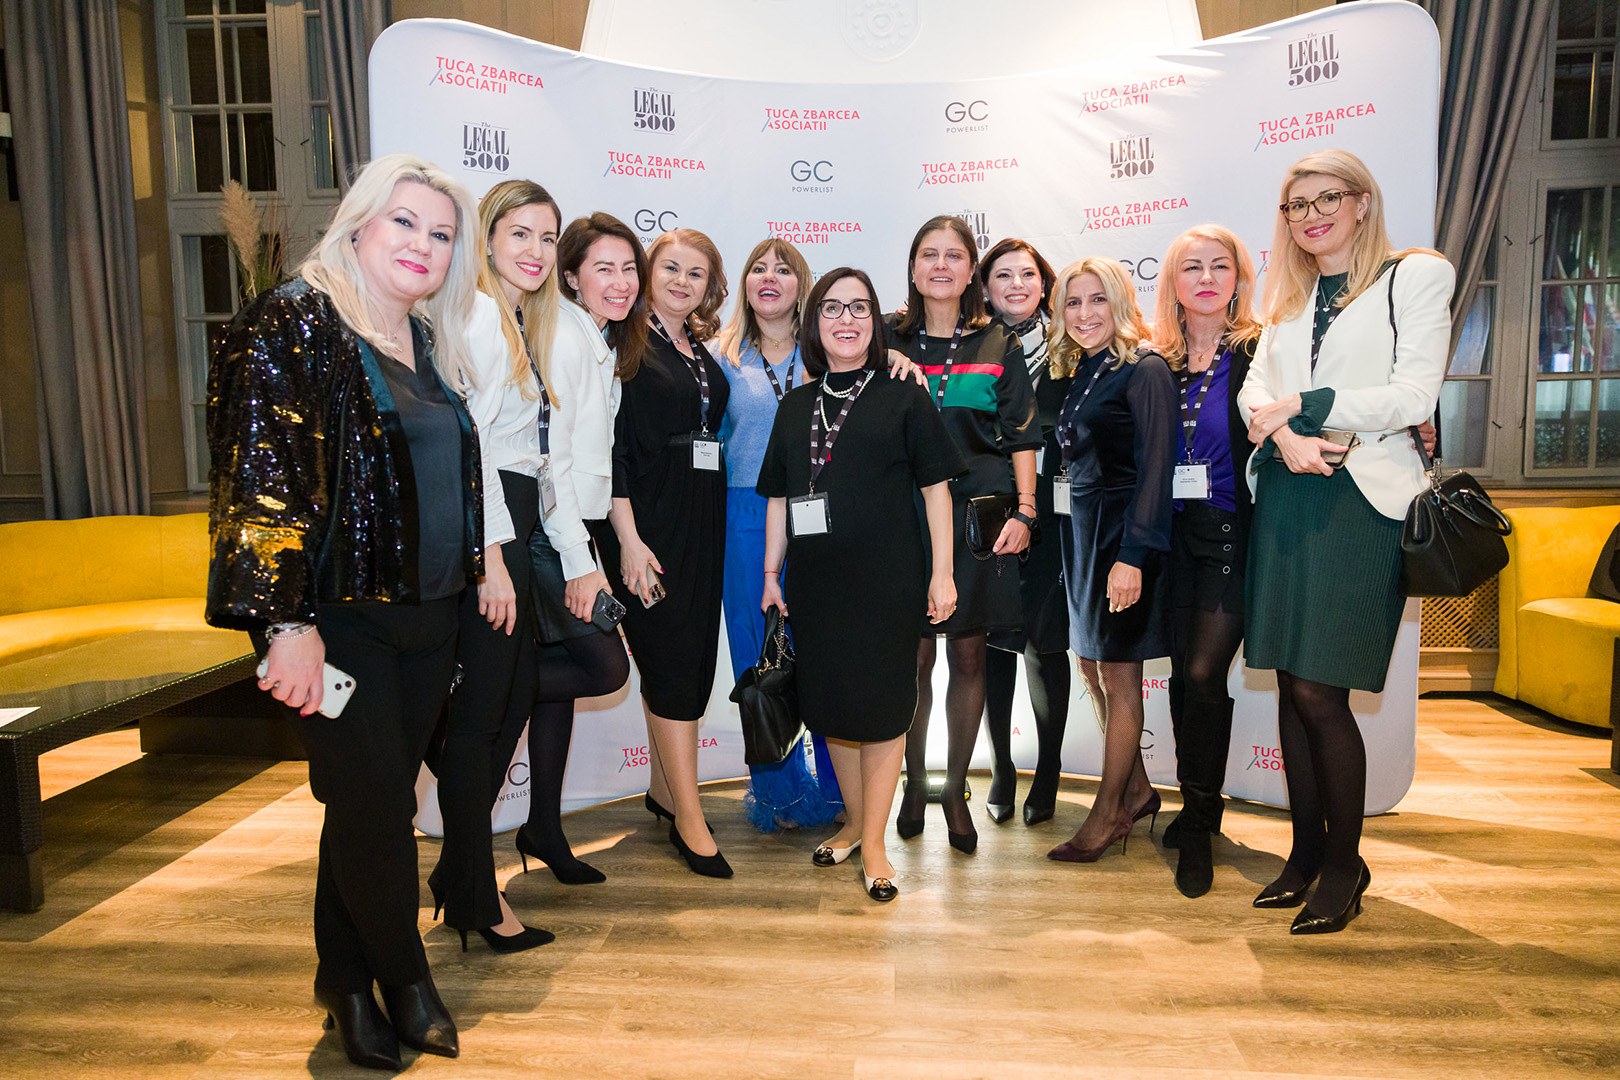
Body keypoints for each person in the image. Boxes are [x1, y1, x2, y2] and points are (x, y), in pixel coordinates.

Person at [207, 153, 481, 1070]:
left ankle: (344, 980)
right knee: (375, 809)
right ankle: (406, 980)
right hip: (340, 622)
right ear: (359, 223)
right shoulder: (296, 319)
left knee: (368, 808)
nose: (421, 244)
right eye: (404, 222)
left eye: (439, 233)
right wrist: (285, 626)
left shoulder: (424, 337)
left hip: (429, 618)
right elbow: (259, 483)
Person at [1238, 149, 1452, 934]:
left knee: (1321, 692)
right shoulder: (1289, 296)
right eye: (1297, 205)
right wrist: (1285, 433)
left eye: (1328, 198)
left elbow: (1413, 394)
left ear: (1363, 202)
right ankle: (1302, 854)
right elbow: (1254, 389)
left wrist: (1305, 405)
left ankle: (1343, 866)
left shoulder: (1414, 275)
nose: (1312, 215)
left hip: (1362, 503)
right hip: (1289, 494)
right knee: (1291, 683)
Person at [429, 185, 633, 958]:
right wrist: (492, 561)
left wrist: (577, 561)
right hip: (492, 530)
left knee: (505, 707)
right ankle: (476, 897)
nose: (537, 251)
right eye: (521, 234)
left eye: (548, 238)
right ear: (486, 239)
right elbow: (476, 449)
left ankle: (462, 878)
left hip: (515, 519)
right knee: (484, 719)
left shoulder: (524, 321)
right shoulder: (483, 316)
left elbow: (542, 464)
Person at [757, 267, 962, 901]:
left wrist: (943, 573)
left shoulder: (904, 394)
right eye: (832, 308)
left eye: (859, 308)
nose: (846, 320)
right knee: (833, 711)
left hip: (888, 583)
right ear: (813, 323)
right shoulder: (795, 405)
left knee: (881, 711)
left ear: (875, 322)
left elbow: (937, 491)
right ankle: (852, 821)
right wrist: (770, 574)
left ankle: (874, 843)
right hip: (816, 588)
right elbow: (780, 497)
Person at [886, 215, 1039, 855]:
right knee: (914, 659)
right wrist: (884, 356)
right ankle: (912, 782)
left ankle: (954, 791)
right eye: (929, 254)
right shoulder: (885, 336)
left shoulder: (998, 341)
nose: (941, 266)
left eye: (954, 255)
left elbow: (1023, 435)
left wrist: (1026, 512)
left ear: (970, 269)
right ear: (913, 266)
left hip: (979, 521)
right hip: (904, 520)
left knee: (970, 658)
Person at [597, 227, 734, 877]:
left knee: (686, 658)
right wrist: (627, 541)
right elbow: (611, 451)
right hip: (647, 524)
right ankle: (689, 816)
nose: (682, 281)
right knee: (674, 662)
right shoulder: (622, 344)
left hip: (699, 518)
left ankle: (661, 788)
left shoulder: (696, 348)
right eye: (670, 268)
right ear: (647, 273)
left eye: (696, 273)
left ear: (710, 287)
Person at [1046, 256, 1177, 865]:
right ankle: (1140, 789)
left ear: (1121, 303)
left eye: (1097, 300)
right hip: (1084, 535)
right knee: (1091, 666)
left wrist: (1134, 557)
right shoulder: (1085, 368)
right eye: (1073, 303)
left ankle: (1109, 813)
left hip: (1123, 536)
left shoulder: (1144, 369)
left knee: (1120, 674)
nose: (1084, 314)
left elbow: (1157, 470)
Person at [1147, 225, 1264, 898]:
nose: (1207, 278)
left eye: (1221, 266)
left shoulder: (1258, 351)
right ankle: (1200, 805)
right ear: (1174, 282)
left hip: (1230, 533)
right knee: (1177, 677)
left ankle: (1195, 823)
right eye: (1192, 267)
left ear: (1239, 277)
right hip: (1170, 538)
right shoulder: (1157, 361)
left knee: (1202, 673)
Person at [716, 237, 844, 833]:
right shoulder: (721, 358)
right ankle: (780, 793)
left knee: (824, 651)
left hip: (819, 515)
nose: (769, 278)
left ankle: (842, 790)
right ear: (745, 283)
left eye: (783, 270)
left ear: (802, 285)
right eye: (758, 268)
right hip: (745, 514)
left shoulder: (829, 351)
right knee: (758, 653)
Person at [976, 238, 1071, 828]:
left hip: (1054, 514)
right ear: (984, 288)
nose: (1016, 284)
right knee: (993, 643)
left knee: (1045, 642)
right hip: (989, 512)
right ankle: (1002, 768)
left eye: (1027, 274)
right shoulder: (974, 346)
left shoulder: (1070, 345)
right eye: (1003, 275)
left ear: (1044, 284)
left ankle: (1050, 770)